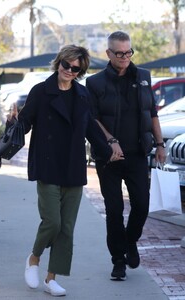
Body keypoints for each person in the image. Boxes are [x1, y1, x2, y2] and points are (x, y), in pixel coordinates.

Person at [8, 45, 119, 297]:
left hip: (73, 164)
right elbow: (25, 124)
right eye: (66, 65)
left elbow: (90, 126)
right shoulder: (40, 91)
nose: (69, 70)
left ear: (81, 70)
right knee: (53, 222)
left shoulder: (82, 94)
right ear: (58, 63)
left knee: (67, 227)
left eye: (75, 67)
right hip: (48, 164)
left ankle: (51, 278)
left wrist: (107, 148)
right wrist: (13, 122)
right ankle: (34, 258)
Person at [86, 31, 166, 281]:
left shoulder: (143, 76)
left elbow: (151, 112)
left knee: (142, 205)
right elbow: (92, 119)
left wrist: (161, 144)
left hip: (138, 154)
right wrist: (110, 142)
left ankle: (130, 241)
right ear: (108, 54)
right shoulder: (95, 83)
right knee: (114, 209)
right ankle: (118, 260)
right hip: (108, 158)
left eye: (128, 52)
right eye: (119, 53)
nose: (124, 57)